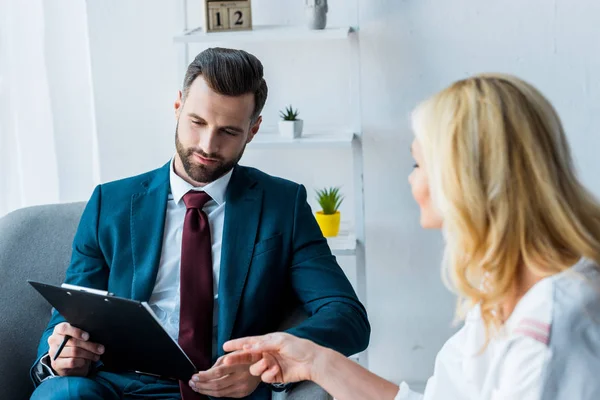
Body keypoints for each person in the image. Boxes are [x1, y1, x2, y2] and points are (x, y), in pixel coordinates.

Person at [221, 74, 600, 400]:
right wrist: (317, 361)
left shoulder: (552, 325)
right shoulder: (504, 294)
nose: (411, 178)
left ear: (463, 179)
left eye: (419, 163)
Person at [29, 47, 370, 400]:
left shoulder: (284, 206)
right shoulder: (109, 203)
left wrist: (264, 359)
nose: (208, 145)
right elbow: (72, 308)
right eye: (197, 122)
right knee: (61, 393)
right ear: (178, 107)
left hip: (226, 390)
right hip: (118, 385)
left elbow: (347, 317)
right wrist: (60, 354)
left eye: (228, 131)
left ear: (253, 130)